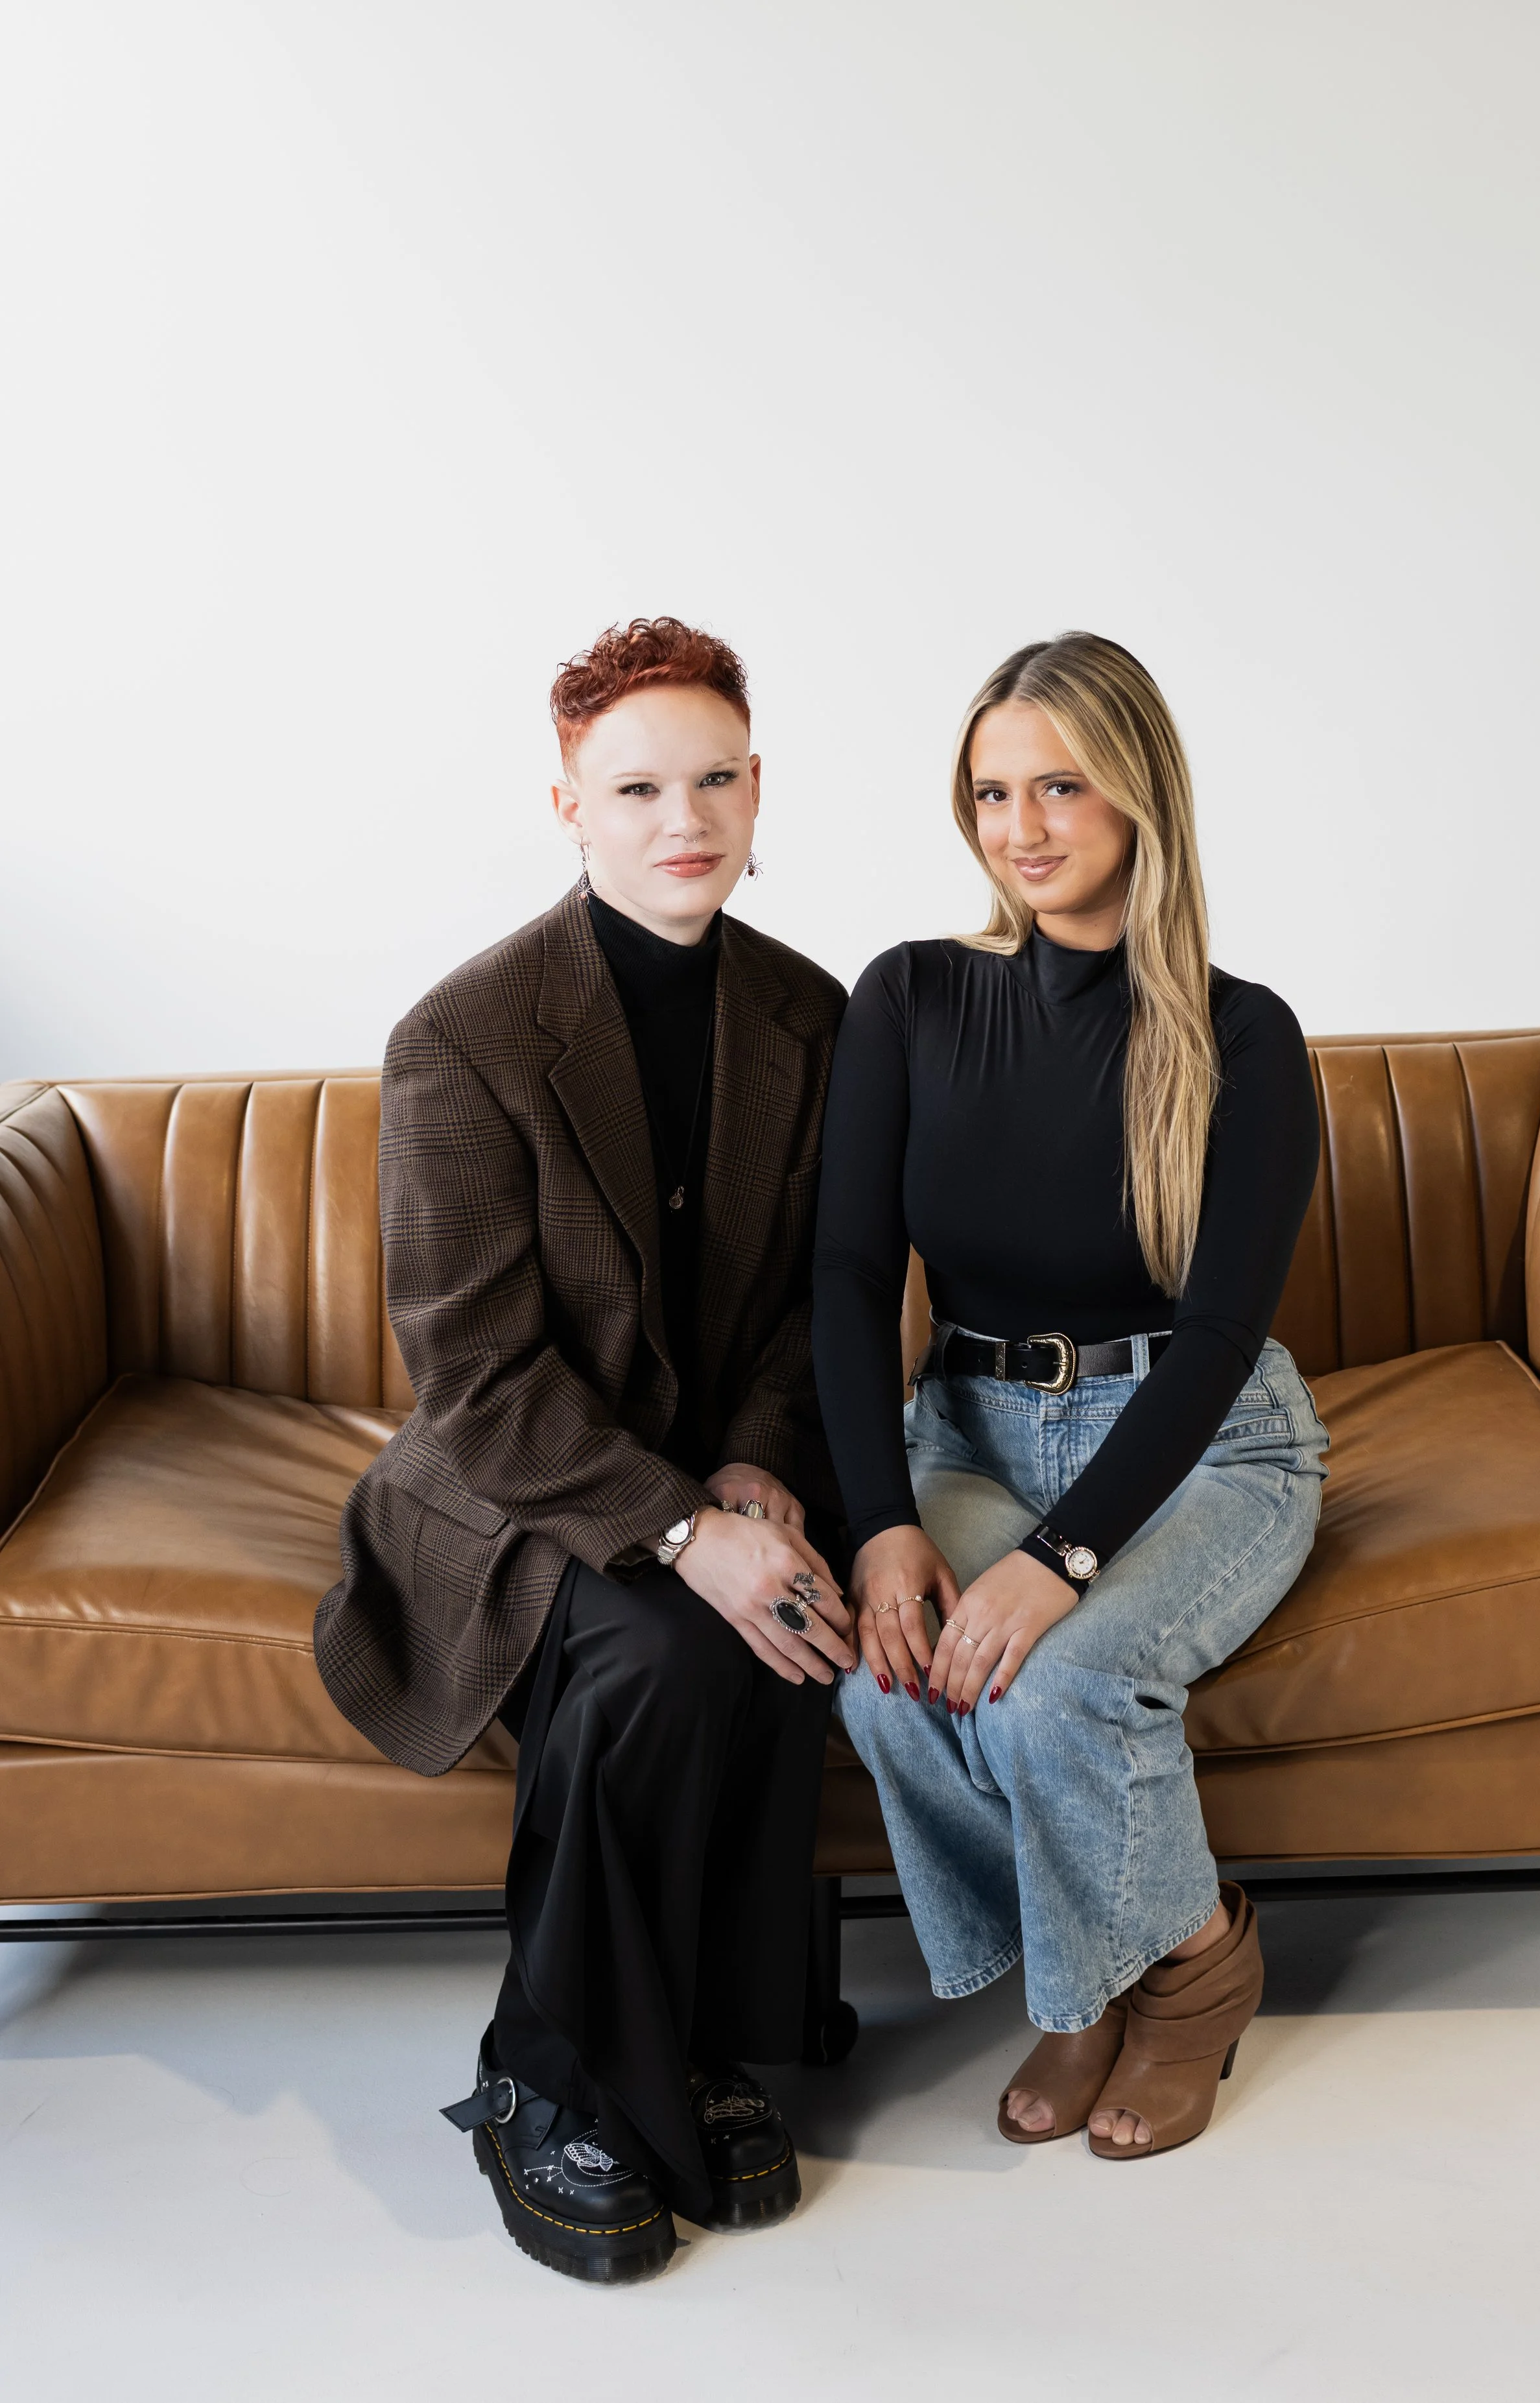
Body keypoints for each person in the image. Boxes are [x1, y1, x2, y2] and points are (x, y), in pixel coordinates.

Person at [315, 617, 852, 2282]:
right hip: (511, 1494)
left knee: (792, 1626)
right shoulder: (465, 1037)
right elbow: (476, 1376)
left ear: (759, 790)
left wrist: (761, 1472)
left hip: (714, 1472)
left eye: (711, 778)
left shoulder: (810, 1015)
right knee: (673, 1662)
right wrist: (693, 1533)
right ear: (567, 805)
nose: (678, 816)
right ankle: (541, 2073)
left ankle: (702, 2037)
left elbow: (814, 1303)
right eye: (634, 786)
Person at [812, 632, 1327, 2160]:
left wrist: (1061, 1561)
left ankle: (1186, 1981)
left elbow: (1226, 1327)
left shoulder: (1242, 1034)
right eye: (988, 793)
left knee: (1057, 1682)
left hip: (1197, 1442)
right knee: (880, 1680)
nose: (1020, 828)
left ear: (1137, 797)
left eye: (1058, 785)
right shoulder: (906, 997)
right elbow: (846, 1278)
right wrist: (879, 1521)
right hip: (966, 1426)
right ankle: (1108, 1950)